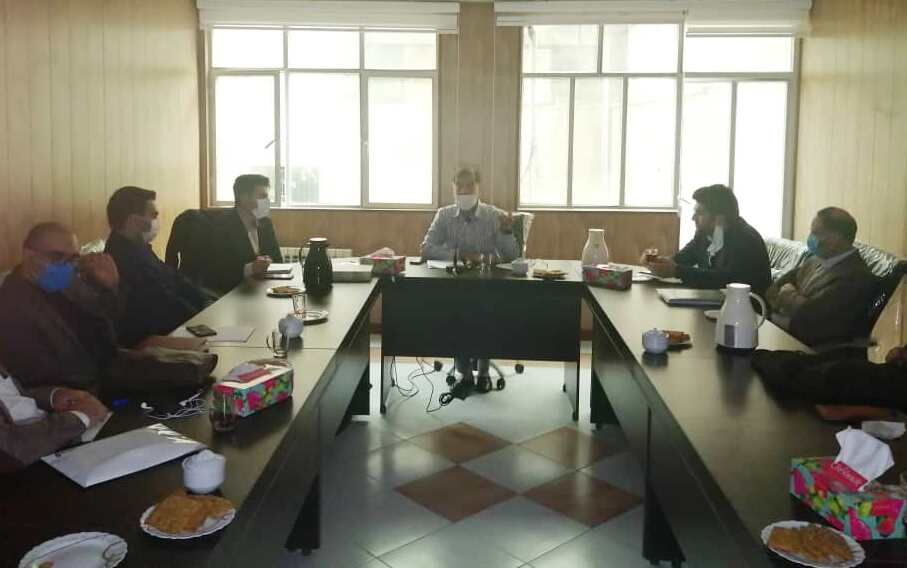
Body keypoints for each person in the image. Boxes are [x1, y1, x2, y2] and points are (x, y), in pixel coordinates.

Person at [421, 167, 519, 391]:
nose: (464, 191)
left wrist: (506, 232)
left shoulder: (494, 215)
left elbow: (513, 255)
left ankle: (483, 371)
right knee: (458, 313)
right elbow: (426, 249)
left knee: (484, 313)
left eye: (470, 185)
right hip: (454, 287)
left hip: (488, 287)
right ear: (453, 188)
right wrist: (460, 255)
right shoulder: (444, 215)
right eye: (460, 186)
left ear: (478, 187)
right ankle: (464, 373)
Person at [0, 222, 120, 391]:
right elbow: (41, 377)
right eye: (57, 257)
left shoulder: (69, 286)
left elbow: (106, 328)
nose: (67, 266)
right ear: (28, 255)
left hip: (106, 370)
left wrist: (108, 287)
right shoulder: (12, 307)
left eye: (73, 259)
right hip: (79, 393)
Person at [105, 186, 212, 347]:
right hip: (151, 340)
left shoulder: (139, 248)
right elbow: (163, 302)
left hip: (174, 327)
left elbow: (174, 277)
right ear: (134, 221)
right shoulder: (121, 258)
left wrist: (205, 301)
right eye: (153, 215)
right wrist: (203, 315)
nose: (157, 221)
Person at [766, 207, 875, 347]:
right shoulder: (815, 260)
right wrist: (796, 301)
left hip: (811, 349)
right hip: (784, 333)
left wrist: (788, 295)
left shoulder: (857, 277)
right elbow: (773, 290)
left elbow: (812, 320)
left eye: (815, 233)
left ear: (835, 239)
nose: (810, 238)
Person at [646, 184, 772, 296]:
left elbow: (726, 280)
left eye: (700, 213)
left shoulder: (745, 239)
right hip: (715, 301)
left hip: (748, 309)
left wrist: (677, 271)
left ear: (719, 218)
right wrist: (657, 263)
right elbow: (682, 258)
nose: (693, 218)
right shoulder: (703, 234)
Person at [1, 364, 108, 473]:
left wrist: (53, 397)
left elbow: (9, 397)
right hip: (28, 464)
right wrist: (80, 417)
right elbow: (10, 450)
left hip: (55, 436)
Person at [208, 174, 283, 294]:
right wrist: (251, 268)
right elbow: (217, 271)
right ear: (244, 198)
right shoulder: (222, 224)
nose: (267, 202)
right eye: (262, 196)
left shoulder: (265, 222)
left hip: (263, 289)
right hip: (231, 293)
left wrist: (268, 261)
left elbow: (278, 260)